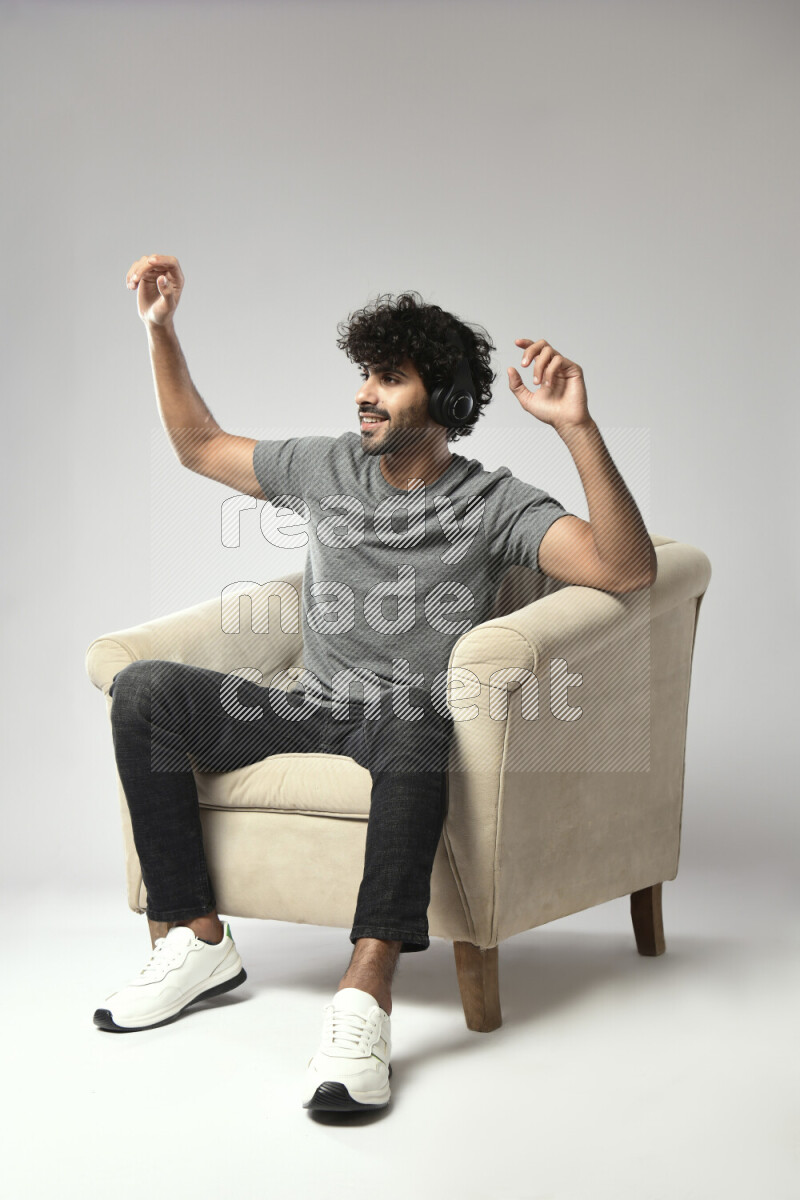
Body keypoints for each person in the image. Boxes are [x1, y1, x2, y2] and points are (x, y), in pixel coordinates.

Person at [94, 253, 656, 1113]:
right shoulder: (325, 468)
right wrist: (159, 330)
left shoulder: (494, 504)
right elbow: (199, 446)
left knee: (415, 718)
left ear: (445, 402)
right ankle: (197, 937)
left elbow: (623, 568)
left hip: (401, 721)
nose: (365, 392)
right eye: (365, 374)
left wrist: (576, 428)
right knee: (145, 692)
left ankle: (364, 996)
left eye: (389, 379)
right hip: (308, 705)